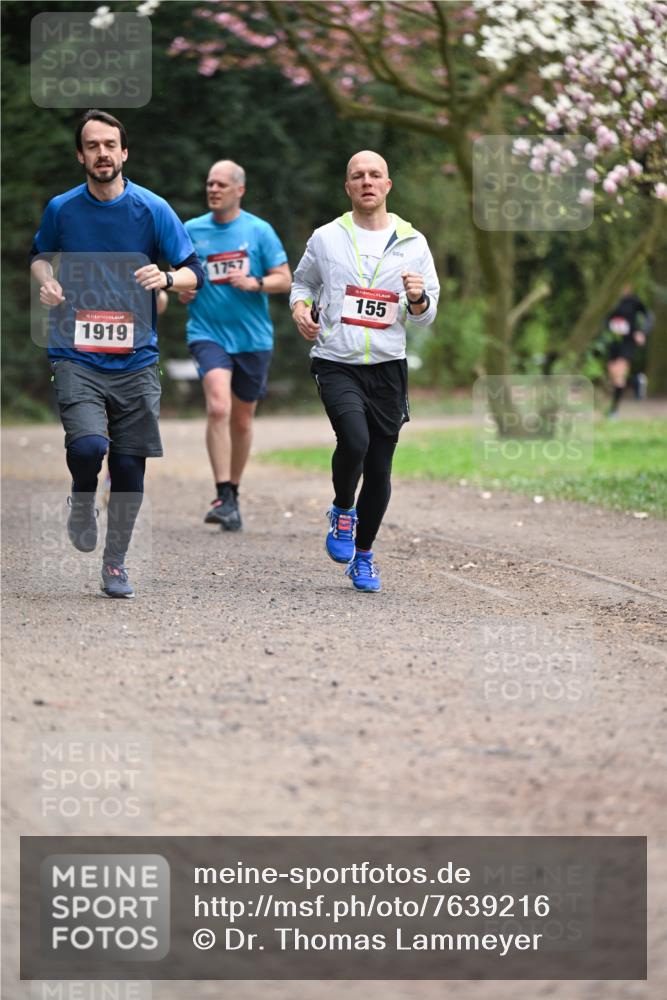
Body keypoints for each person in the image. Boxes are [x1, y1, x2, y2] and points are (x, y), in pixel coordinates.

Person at [30, 109, 204, 598]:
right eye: (93, 145)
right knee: (88, 447)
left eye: (110, 144)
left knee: (129, 467)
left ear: (124, 153)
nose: (102, 153)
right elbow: (40, 256)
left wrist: (167, 277)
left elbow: (195, 269)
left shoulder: (152, 209)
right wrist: (49, 283)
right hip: (76, 353)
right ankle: (83, 497)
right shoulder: (62, 209)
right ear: (80, 155)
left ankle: (115, 563)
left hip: (135, 360)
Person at [290, 150, 439, 592]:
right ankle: (342, 511)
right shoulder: (326, 237)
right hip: (336, 360)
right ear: (349, 187)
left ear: (388, 185)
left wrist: (417, 298)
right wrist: (301, 309)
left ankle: (365, 555)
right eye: (358, 176)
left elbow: (426, 316)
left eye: (375, 175)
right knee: (353, 439)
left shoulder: (414, 243)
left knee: (379, 468)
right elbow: (303, 282)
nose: (367, 182)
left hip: (388, 367)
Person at [179, 160, 291, 531]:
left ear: (239, 190)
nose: (213, 189)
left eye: (221, 184)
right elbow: (182, 276)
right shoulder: (191, 230)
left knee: (242, 419)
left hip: (253, 339)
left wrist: (256, 283)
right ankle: (222, 493)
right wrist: (184, 288)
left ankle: (234, 495)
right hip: (207, 332)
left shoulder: (259, 231)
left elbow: (284, 279)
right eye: (209, 183)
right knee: (218, 405)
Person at [605, 283, 649, 418]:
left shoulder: (634, 302)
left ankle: (614, 411)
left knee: (619, 374)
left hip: (628, 342)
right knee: (613, 376)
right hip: (613, 342)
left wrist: (642, 332)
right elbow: (606, 320)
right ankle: (636, 381)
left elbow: (649, 317)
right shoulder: (610, 301)